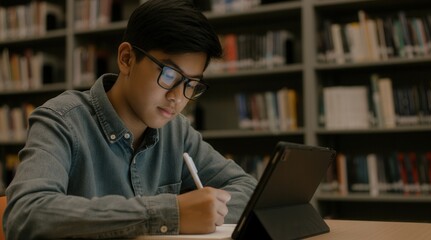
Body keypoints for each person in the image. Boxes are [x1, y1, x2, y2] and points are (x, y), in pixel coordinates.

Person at [3, 0, 257, 238]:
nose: (177, 98)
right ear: (126, 59)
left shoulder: (176, 131)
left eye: (191, 84)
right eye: (169, 74)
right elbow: (26, 213)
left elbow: (247, 188)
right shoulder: (61, 120)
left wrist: (209, 210)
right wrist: (169, 213)